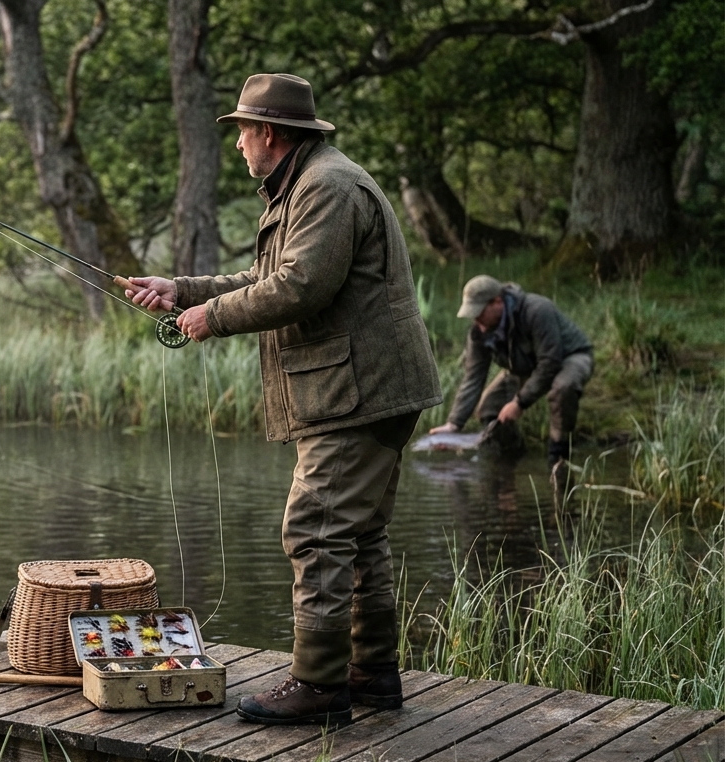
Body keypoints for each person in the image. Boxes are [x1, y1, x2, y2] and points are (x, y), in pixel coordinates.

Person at [125, 73, 441, 726]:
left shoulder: (325, 185)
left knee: (316, 530)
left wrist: (213, 317)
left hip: (356, 393)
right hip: (365, 389)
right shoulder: (307, 181)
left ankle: (320, 686)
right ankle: (372, 676)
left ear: (268, 133)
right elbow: (267, 277)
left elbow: (301, 287)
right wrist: (183, 289)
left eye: (241, 132)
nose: (239, 145)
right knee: (359, 534)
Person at [427, 275, 594, 487]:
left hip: (569, 357)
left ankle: (559, 459)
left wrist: (519, 402)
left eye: (479, 313)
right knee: (488, 407)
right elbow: (473, 377)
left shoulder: (537, 310)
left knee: (562, 388)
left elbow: (550, 363)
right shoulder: (479, 332)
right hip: (523, 367)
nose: (475, 320)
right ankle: (510, 462)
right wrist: (454, 424)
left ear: (497, 302)